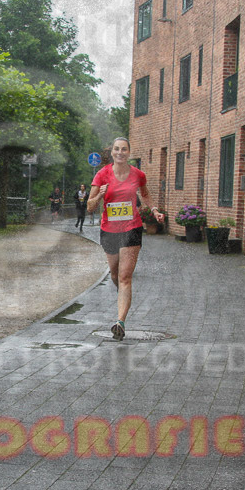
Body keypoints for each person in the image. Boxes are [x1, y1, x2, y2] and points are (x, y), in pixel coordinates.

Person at [86, 137, 164, 341]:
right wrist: (99, 196)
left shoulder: (138, 174)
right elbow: (89, 206)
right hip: (109, 230)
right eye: (117, 149)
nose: (120, 152)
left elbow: (145, 195)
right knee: (114, 274)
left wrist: (154, 209)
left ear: (129, 152)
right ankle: (123, 294)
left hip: (132, 229)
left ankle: (120, 321)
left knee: (125, 277)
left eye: (124, 149)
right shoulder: (102, 174)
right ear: (111, 153)